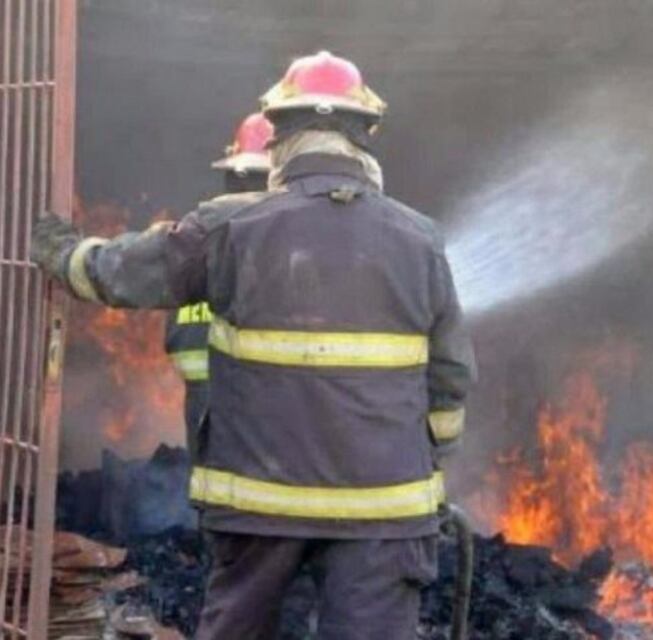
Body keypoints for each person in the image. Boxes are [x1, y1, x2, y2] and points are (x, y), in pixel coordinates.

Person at [31, 50, 475, 640]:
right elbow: (448, 378)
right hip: (383, 513)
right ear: (365, 137)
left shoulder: (231, 227)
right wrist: (425, 457)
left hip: (260, 511)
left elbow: (122, 273)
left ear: (280, 138)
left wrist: (62, 255)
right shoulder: (420, 241)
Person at [164, 111, 273, 457]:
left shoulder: (196, 244)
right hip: (273, 442)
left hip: (210, 445)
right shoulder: (291, 251)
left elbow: (180, 344)